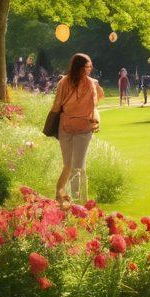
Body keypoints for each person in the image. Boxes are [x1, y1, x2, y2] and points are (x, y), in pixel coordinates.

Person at [52, 53, 105, 205]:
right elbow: (56, 105)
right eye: (87, 66)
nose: (90, 69)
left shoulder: (92, 83)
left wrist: (96, 121)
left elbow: (95, 106)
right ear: (79, 67)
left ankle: (78, 202)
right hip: (66, 127)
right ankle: (62, 196)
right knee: (68, 165)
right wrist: (51, 124)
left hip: (84, 128)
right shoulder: (64, 82)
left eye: (90, 66)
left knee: (78, 166)